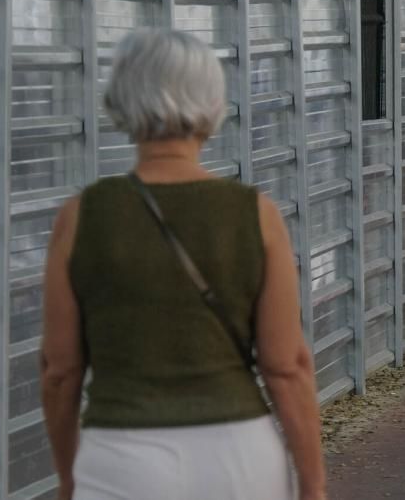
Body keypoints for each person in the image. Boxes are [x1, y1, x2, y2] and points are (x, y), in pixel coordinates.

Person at [41, 29, 326, 500]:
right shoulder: (254, 214)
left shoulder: (82, 216)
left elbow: (59, 370)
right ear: (212, 102)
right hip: (239, 457)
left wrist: (70, 479)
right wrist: (313, 487)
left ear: (119, 100)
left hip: (120, 458)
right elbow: (287, 366)